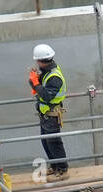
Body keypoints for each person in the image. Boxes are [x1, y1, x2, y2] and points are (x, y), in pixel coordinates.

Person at [29, 43, 68, 181]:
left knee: (54, 142)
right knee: (46, 142)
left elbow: (47, 96)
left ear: (41, 61)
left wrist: (35, 83)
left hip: (52, 114)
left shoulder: (54, 77)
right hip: (45, 114)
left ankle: (62, 168)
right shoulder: (47, 72)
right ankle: (55, 165)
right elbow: (40, 88)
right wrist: (35, 80)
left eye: (37, 60)